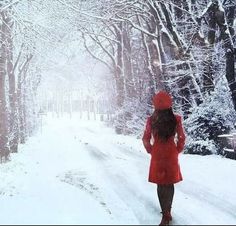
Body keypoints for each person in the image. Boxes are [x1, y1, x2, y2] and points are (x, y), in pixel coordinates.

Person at [142, 91, 186, 226]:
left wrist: (151, 150)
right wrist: (177, 149)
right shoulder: (176, 119)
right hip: (171, 154)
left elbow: (145, 138)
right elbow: (182, 137)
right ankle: (168, 212)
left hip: (157, 155)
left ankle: (164, 215)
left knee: (161, 185)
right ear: (170, 104)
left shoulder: (151, 120)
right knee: (170, 183)